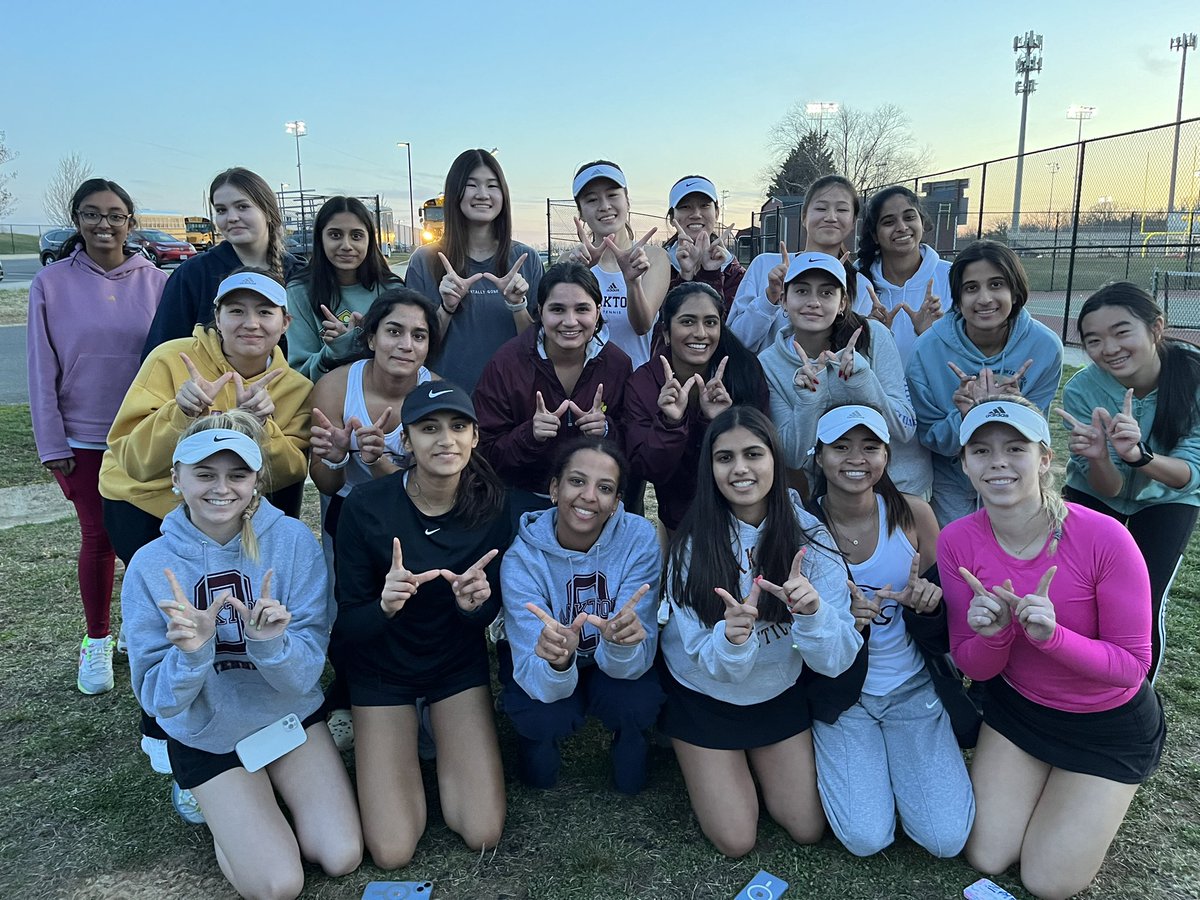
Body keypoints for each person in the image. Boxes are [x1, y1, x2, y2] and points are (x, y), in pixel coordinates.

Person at [122, 412, 362, 899]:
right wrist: (190, 655)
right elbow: (159, 702)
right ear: (176, 479)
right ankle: (221, 805)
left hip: (285, 716)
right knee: (279, 885)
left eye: (237, 475)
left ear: (256, 482)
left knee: (340, 855)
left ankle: (259, 801)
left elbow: (303, 678)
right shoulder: (149, 566)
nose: (221, 489)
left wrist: (270, 643)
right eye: (204, 474)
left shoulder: (292, 541)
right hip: (206, 733)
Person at [100, 268, 313, 805]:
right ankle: (167, 737)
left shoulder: (293, 387)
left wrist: (264, 428)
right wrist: (182, 410)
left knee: (230, 614)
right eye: (236, 311)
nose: (250, 323)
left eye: (264, 312)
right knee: (174, 620)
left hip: (231, 513)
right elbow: (131, 454)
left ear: (284, 322)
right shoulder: (173, 360)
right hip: (148, 503)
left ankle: (246, 715)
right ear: (216, 318)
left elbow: (288, 471)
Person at [939, 398, 1165, 900]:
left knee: (1048, 882)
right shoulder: (957, 541)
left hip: (1106, 724)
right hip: (1020, 711)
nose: (998, 461)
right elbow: (971, 662)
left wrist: (1052, 638)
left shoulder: (1106, 537)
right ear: (966, 464)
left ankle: (1091, 791)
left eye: (1015, 448)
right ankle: (1054, 788)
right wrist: (995, 634)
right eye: (981, 450)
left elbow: (1133, 667)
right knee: (986, 855)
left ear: (1044, 459)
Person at [658, 406, 861, 857]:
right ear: (709, 468)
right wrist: (732, 640)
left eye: (754, 454)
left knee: (807, 826)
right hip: (704, 694)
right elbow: (701, 657)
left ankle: (749, 765)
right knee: (736, 840)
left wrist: (812, 613)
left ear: (774, 460)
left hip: (775, 691)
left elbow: (836, 659)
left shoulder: (812, 538)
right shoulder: (691, 546)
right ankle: (702, 755)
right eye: (725, 458)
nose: (741, 469)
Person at [333, 381, 509, 868]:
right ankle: (402, 735)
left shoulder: (492, 505)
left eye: (457, 427)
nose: (445, 440)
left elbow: (485, 614)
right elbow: (348, 623)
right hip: (381, 667)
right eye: (428, 429)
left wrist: (474, 606)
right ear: (405, 441)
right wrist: (384, 607)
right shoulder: (365, 507)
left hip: (454, 665)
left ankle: (438, 732)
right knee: (392, 851)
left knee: (482, 830)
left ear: (475, 436)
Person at [805, 405, 975, 858]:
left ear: (887, 455)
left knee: (945, 839)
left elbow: (950, 614)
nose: (856, 459)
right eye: (840, 447)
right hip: (843, 697)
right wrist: (845, 622)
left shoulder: (914, 514)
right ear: (818, 456)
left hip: (912, 687)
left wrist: (927, 606)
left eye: (870, 447)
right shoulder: (803, 526)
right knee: (866, 838)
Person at [27, 178, 167, 695]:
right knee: (98, 538)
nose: (103, 224)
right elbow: (41, 365)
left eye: (114, 215)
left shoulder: (156, 282)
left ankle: (137, 627)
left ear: (130, 221)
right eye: (91, 214)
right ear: (76, 220)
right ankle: (96, 641)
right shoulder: (51, 283)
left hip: (146, 436)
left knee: (148, 541)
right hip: (84, 439)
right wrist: (52, 441)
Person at [499, 438, 663, 794]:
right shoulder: (521, 558)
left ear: (617, 503)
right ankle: (537, 746)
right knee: (543, 716)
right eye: (577, 481)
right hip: (548, 663)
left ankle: (631, 738)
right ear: (554, 488)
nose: (589, 496)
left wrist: (619, 643)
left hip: (610, 658)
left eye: (605, 488)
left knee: (637, 701)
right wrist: (558, 662)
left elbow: (636, 659)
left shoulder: (639, 540)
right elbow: (531, 668)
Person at [1058, 282, 1200, 683]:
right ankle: (1077, 682)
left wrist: (1140, 456)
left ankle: (1135, 701)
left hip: (1169, 498)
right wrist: (1101, 456)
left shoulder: (1193, 377)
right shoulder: (1083, 390)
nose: (1110, 348)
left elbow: (1190, 473)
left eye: (1122, 332)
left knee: (1145, 599)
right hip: (1094, 494)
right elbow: (1110, 489)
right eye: (1094, 340)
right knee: (1081, 595)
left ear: (1156, 328)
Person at [907, 240, 1063, 525]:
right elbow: (930, 437)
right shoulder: (927, 350)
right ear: (957, 297)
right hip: (954, 478)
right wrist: (963, 416)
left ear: (1015, 291)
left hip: (1016, 474)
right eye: (971, 288)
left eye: (996, 285)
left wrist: (1015, 407)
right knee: (960, 560)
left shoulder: (1045, 347)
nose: (984, 299)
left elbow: (1035, 434)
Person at [757, 251, 929, 497]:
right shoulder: (769, 362)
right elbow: (793, 456)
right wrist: (808, 400)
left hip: (901, 489)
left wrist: (863, 382)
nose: (813, 302)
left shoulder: (874, 336)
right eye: (802, 291)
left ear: (843, 303)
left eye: (826, 293)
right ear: (784, 300)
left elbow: (904, 427)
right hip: (829, 499)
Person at [474, 262, 631, 516]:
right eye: (557, 309)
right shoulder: (507, 363)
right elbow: (483, 450)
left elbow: (632, 443)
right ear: (540, 311)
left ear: (598, 311)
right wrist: (529, 435)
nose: (570, 322)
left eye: (582, 309)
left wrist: (605, 429)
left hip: (593, 501)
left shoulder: (617, 364)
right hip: (524, 498)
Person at [622, 281, 768, 532]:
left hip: (743, 517)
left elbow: (762, 452)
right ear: (666, 332)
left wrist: (720, 422)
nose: (701, 333)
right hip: (679, 519)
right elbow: (648, 469)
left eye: (710, 322)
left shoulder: (743, 371)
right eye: (687, 321)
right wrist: (671, 423)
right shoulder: (644, 383)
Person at [403, 149, 543, 393]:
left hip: (511, 401)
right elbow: (414, 344)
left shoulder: (526, 259)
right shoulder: (424, 261)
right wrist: (446, 308)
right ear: (455, 192)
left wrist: (517, 305)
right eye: (471, 185)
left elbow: (539, 346)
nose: (482, 195)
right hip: (445, 402)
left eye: (492, 186)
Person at [309, 288, 441, 540]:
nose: (406, 345)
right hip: (347, 505)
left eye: (419, 336)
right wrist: (335, 459)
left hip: (415, 509)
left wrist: (378, 460)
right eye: (394, 331)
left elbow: (428, 490)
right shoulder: (334, 387)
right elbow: (326, 485)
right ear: (371, 339)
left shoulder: (436, 396)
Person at [141, 167, 302, 356]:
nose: (232, 218)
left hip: (287, 385)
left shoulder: (299, 273)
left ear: (268, 212)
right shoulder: (192, 274)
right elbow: (161, 351)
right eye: (221, 210)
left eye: (242, 206)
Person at [727, 174, 871, 353]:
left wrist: (876, 332)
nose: (831, 217)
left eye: (842, 210)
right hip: (763, 380)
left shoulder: (861, 286)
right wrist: (769, 299)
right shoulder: (764, 266)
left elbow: (855, 356)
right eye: (821, 208)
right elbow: (735, 342)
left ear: (852, 222)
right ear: (804, 217)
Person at [563, 160, 670, 370]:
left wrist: (633, 282)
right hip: (583, 385)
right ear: (581, 213)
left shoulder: (654, 258)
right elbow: (561, 329)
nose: (604, 206)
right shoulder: (569, 261)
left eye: (612, 195)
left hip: (634, 385)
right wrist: (578, 274)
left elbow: (642, 326)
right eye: (592, 200)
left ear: (627, 201)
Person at [286, 196, 403, 382]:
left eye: (356, 236)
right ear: (320, 238)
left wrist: (360, 342)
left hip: (383, 397)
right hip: (323, 400)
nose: (346, 246)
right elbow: (299, 373)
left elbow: (403, 358)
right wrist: (334, 351)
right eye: (335, 235)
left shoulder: (392, 289)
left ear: (370, 240)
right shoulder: (298, 291)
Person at [855, 185, 951, 364]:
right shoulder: (856, 282)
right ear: (875, 235)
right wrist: (874, 337)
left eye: (909, 217)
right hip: (876, 391)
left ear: (921, 222)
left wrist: (932, 334)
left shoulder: (952, 277)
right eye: (889, 222)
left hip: (934, 391)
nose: (902, 227)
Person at [663, 175, 744, 314]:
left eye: (705, 205)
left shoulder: (735, 274)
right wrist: (685, 276)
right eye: (685, 206)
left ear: (717, 213)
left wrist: (711, 274)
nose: (696, 214)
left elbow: (730, 331)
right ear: (672, 218)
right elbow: (659, 329)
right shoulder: (657, 266)